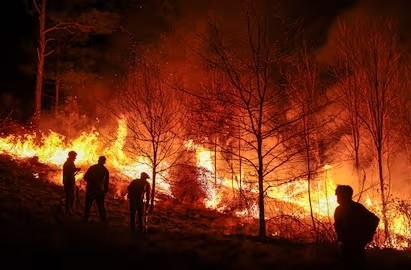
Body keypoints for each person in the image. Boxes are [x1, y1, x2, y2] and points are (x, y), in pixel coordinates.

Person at [334, 185, 380, 270]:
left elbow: (374, 219)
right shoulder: (338, 210)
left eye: (339, 195)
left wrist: (367, 237)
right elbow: (338, 225)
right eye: (337, 195)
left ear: (346, 195)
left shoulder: (357, 208)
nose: (337, 198)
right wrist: (339, 239)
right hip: (345, 245)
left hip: (356, 246)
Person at [83, 156, 110, 222]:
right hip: (99, 191)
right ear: (104, 162)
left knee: (88, 205)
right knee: (100, 206)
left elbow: (85, 177)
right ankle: (103, 220)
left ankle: (86, 219)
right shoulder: (105, 170)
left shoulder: (93, 168)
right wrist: (105, 190)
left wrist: (90, 182)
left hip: (91, 189)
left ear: (98, 160)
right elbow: (106, 183)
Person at [62, 150, 81, 215]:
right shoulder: (69, 163)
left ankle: (69, 209)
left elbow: (71, 170)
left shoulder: (69, 162)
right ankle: (68, 210)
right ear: (71, 156)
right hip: (69, 182)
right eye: (74, 156)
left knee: (70, 196)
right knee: (70, 196)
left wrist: (76, 169)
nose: (75, 158)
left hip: (69, 181)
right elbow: (69, 171)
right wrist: (76, 169)